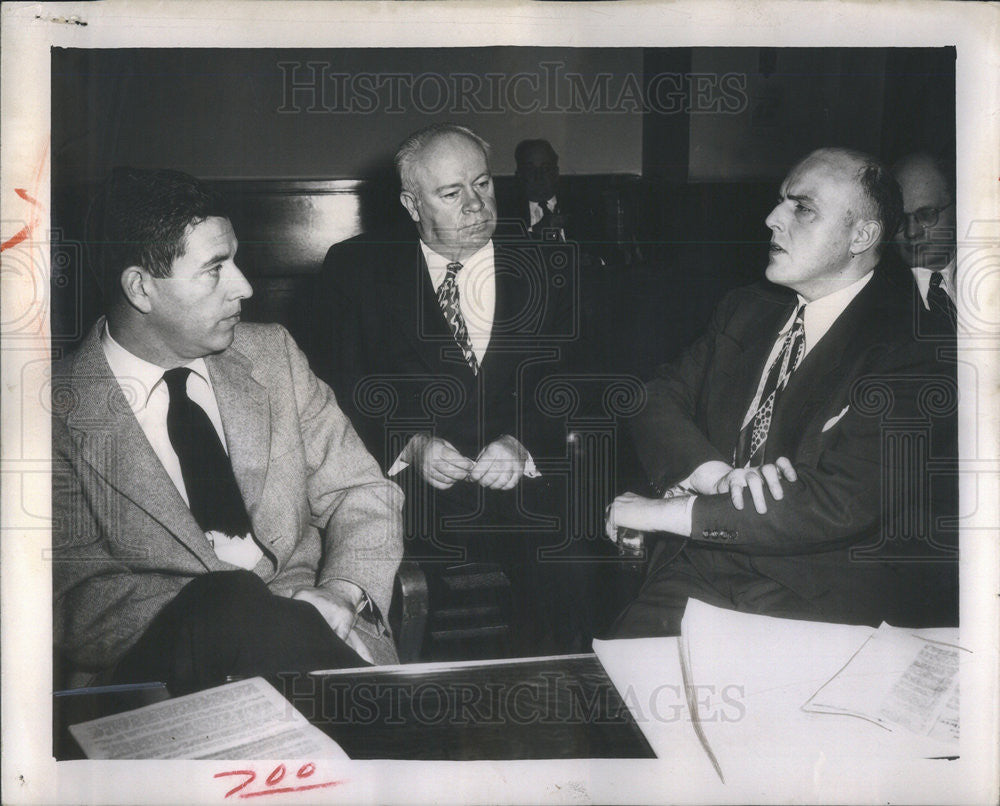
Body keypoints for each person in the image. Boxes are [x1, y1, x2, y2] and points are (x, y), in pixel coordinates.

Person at [53, 168, 404, 695]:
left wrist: (341, 591)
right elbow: (77, 602)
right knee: (230, 603)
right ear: (140, 288)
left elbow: (364, 491)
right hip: (156, 679)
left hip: (326, 631)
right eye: (215, 269)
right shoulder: (49, 412)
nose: (244, 286)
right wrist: (249, 617)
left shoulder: (273, 356)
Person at [605, 148, 958, 636]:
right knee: (622, 681)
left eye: (802, 208)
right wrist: (714, 478)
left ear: (862, 236)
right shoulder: (745, 309)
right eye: (779, 201)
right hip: (697, 568)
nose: (772, 218)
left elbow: (839, 500)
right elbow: (655, 398)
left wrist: (667, 512)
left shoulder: (916, 348)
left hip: (811, 593)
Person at [307, 124, 594, 656]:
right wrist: (410, 444)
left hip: (525, 484)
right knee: (415, 618)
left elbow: (575, 377)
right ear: (411, 204)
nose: (476, 205)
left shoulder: (551, 265)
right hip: (410, 491)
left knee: (570, 576)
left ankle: (547, 708)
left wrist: (521, 441)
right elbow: (338, 389)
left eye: (483, 184)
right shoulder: (356, 270)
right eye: (451, 193)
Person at [892, 152, 957, 329]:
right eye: (900, 220)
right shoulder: (879, 299)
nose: (912, 232)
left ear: (957, 208)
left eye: (927, 215)